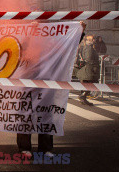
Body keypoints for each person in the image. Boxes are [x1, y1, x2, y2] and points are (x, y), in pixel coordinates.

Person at [17, 21, 86, 159]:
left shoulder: (53, 48)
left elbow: (68, 47)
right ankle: (25, 148)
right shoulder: (29, 44)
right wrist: (30, 32)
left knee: (46, 117)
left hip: (47, 87)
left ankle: (46, 148)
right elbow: (20, 49)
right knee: (25, 117)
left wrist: (80, 32)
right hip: (28, 85)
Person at [76, 34, 99, 106]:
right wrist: (95, 63)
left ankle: (83, 98)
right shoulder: (89, 48)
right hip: (90, 69)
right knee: (92, 83)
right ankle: (83, 96)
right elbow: (88, 59)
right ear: (89, 41)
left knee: (87, 83)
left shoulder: (88, 47)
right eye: (93, 39)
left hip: (89, 69)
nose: (94, 40)